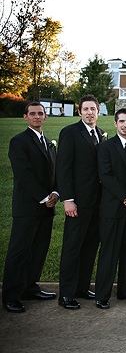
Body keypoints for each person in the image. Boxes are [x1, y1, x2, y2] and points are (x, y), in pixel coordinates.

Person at [3, 103, 58, 313]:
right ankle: (10, 295)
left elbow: (54, 171)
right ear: (26, 117)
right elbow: (24, 174)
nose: (37, 117)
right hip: (27, 206)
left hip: (47, 206)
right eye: (32, 114)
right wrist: (44, 197)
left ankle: (29, 287)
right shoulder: (19, 141)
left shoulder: (49, 143)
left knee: (39, 249)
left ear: (45, 117)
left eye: (40, 114)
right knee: (19, 251)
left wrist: (55, 193)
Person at [56, 94, 104, 309]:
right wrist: (68, 199)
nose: (90, 112)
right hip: (77, 202)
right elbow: (63, 168)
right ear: (80, 112)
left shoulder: (100, 134)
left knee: (89, 247)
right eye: (86, 109)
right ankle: (66, 293)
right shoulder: (70, 132)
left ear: (98, 112)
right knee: (72, 247)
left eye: (93, 109)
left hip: (97, 203)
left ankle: (82, 287)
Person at [94, 108, 126, 309]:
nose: (125, 125)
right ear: (115, 124)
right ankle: (102, 295)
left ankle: (124, 289)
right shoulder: (105, 147)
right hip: (112, 208)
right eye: (121, 121)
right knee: (109, 252)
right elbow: (106, 176)